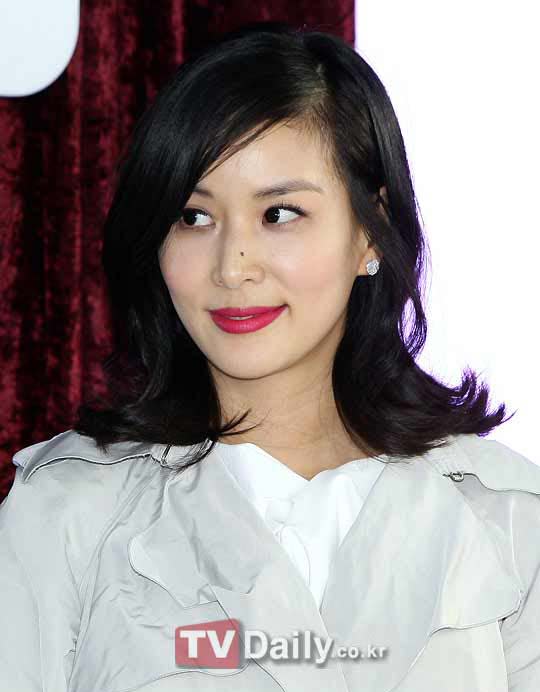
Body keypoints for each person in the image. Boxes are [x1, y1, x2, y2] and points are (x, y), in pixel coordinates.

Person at [1, 21, 539, 692]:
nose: (233, 266)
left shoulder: (505, 515)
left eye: (279, 214)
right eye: (193, 217)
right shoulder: (67, 510)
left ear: (369, 232)